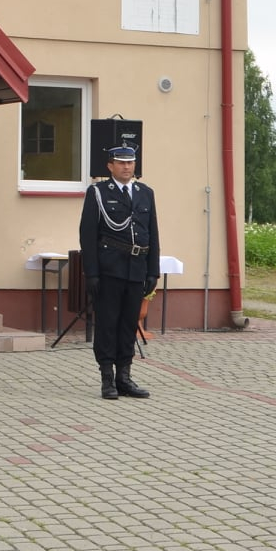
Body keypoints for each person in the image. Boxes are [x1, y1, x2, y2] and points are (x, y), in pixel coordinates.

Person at [78, 144, 159, 399]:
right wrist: (92, 272)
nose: (126, 167)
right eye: (121, 162)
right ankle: (107, 378)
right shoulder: (98, 192)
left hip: (136, 268)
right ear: (110, 166)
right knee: (107, 324)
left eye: (130, 162)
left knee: (128, 324)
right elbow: (88, 235)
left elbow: (153, 234)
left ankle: (124, 377)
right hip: (109, 268)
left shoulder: (145, 193)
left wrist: (153, 271)